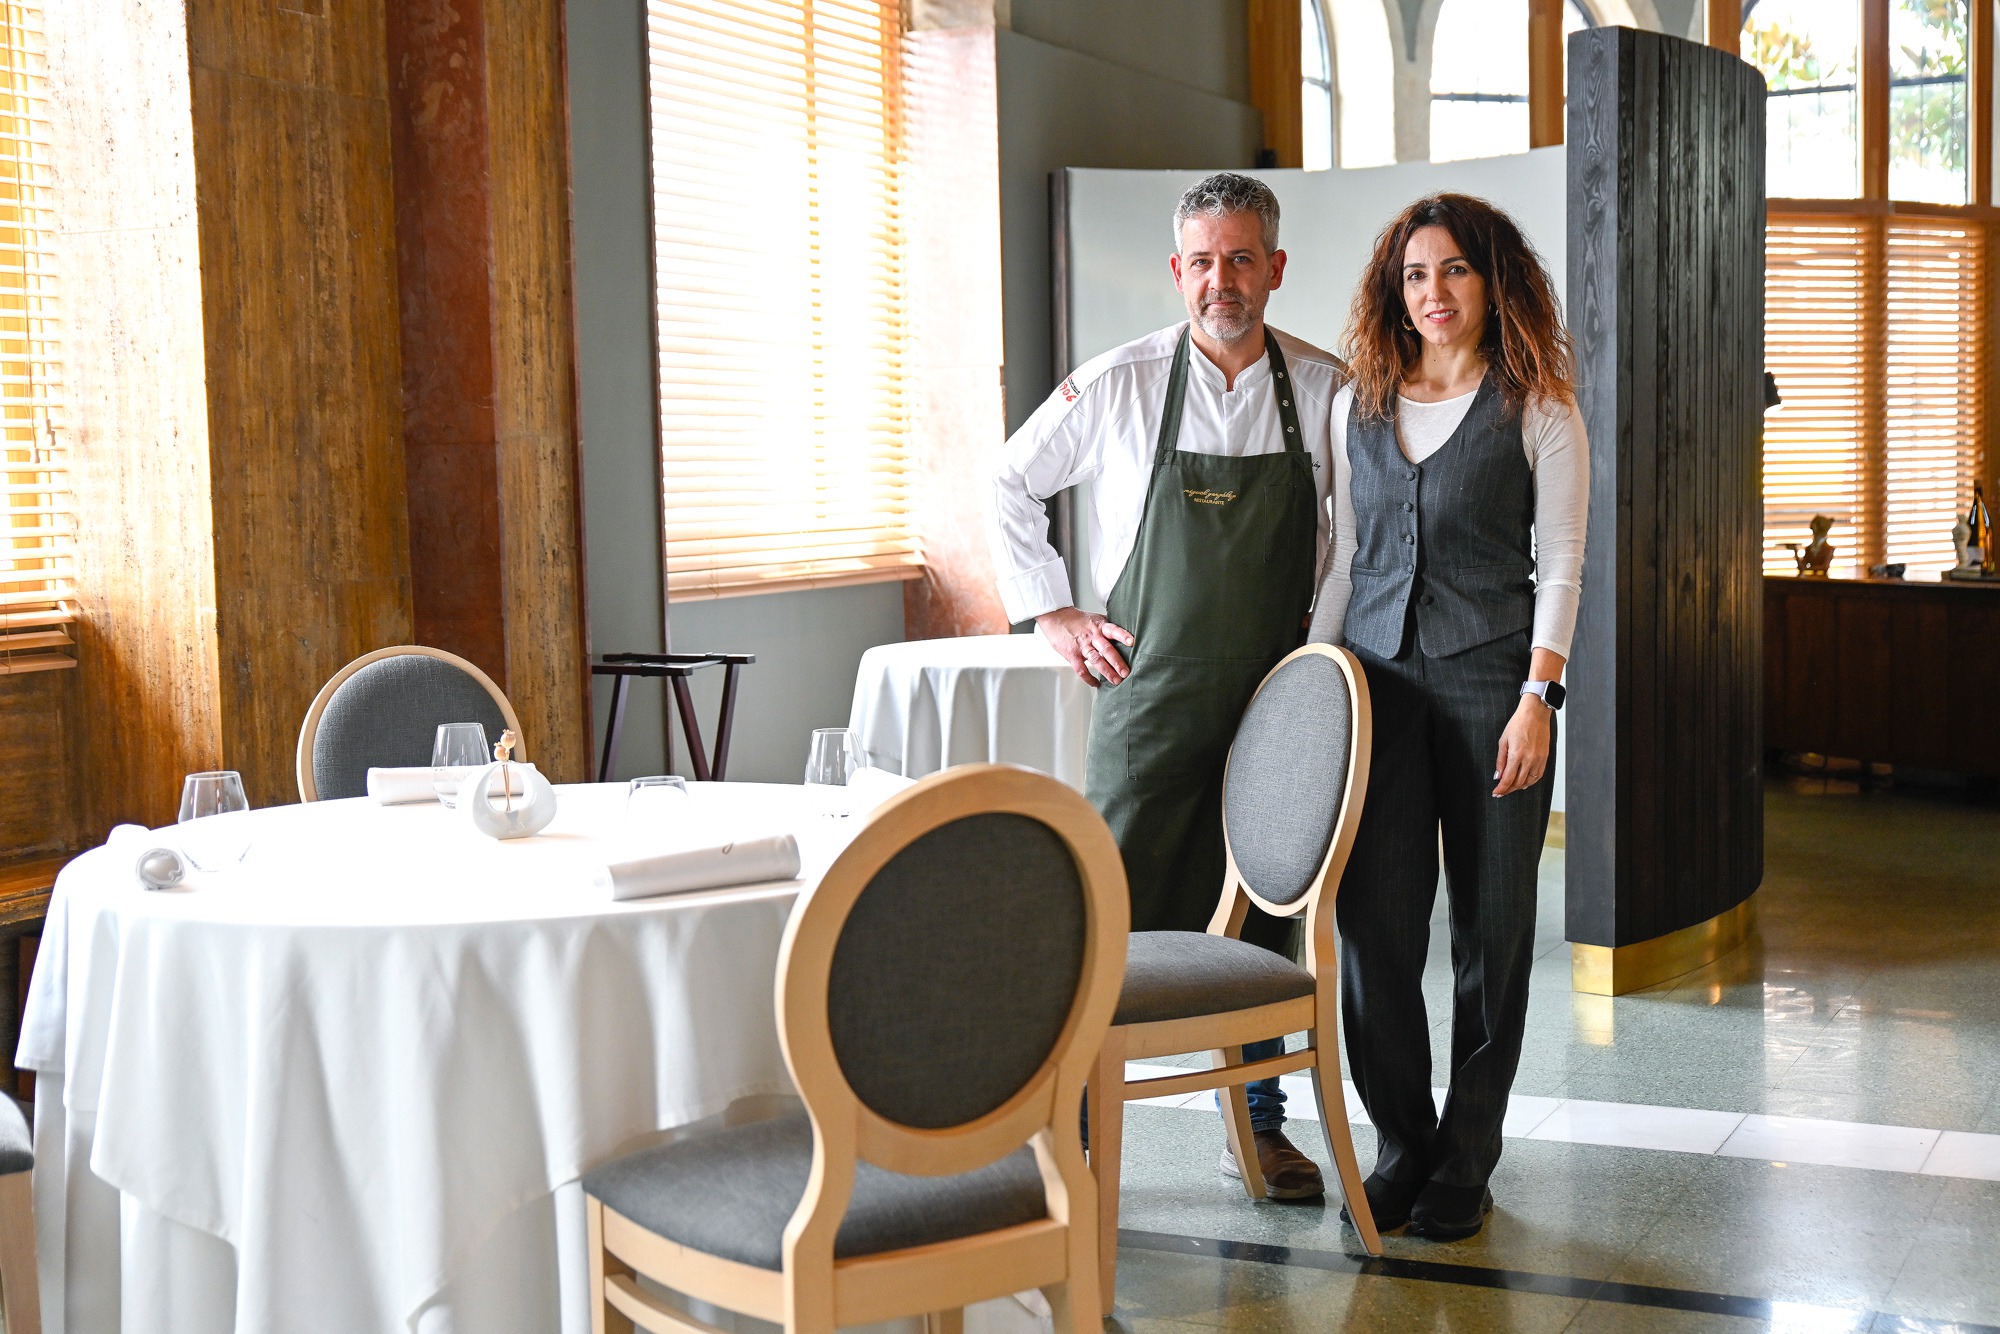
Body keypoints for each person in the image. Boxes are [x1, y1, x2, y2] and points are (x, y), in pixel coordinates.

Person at [989, 173, 1339, 1199]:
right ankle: (1081, 1131)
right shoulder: (1121, 381)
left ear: (1274, 269)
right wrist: (1050, 608)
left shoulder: (1323, 389)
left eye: (1239, 259)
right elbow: (1006, 481)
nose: (1218, 281)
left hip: (1275, 702)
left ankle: (1257, 1127)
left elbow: (1351, 545)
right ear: (1174, 269)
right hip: (1146, 701)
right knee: (1110, 913)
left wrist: (1312, 670)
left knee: (1270, 914)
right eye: (1200, 260)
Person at [1310, 193, 1586, 1240]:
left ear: (1492, 279)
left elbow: (1559, 562)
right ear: (1395, 289)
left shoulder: (1538, 404)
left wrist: (1537, 697)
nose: (1432, 293)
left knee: (1491, 927)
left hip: (1490, 691)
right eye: (1414, 275)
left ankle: (1466, 1153)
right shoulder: (1357, 405)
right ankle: (1400, 1141)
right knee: (1374, 925)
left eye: (1454, 270)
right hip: (1372, 689)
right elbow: (1343, 557)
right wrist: (1311, 686)